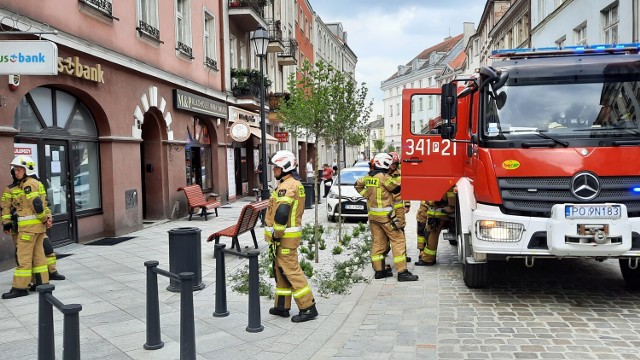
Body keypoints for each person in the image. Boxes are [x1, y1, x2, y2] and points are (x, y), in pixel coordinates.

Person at [265, 150, 318, 322]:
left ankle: (308, 308)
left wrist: (276, 233)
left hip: (284, 237)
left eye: (276, 168)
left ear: (285, 167)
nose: (273, 171)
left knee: (292, 272)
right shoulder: (291, 184)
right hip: (285, 237)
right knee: (281, 271)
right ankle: (282, 307)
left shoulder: (287, 187)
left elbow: (282, 212)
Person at [355, 153, 418, 282]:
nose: (390, 166)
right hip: (386, 216)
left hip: (373, 216)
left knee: (378, 243)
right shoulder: (384, 177)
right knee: (398, 240)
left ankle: (380, 271)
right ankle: (402, 272)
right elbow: (395, 189)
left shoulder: (368, 177)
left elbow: (357, 184)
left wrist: (367, 194)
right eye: (388, 163)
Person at [2, 155, 52, 299]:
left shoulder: (28, 184)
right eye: (15, 170)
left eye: (18, 169)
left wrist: (44, 218)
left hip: (28, 229)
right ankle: (42, 283)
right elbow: (44, 204)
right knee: (39, 257)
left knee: (23, 257)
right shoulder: (36, 182)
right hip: (37, 229)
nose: (15, 172)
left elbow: (36, 205)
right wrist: (46, 219)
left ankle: (20, 288)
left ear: (27, 170)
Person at [415, 187, 456, 266]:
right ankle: (428, 257)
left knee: (432, 236)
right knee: (430, 235)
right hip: (437, 214)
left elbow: (433, 201)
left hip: (437, 215)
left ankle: (428, 259)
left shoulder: (446, 184)